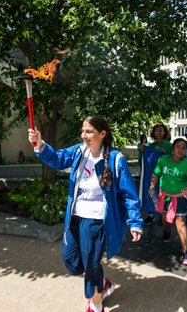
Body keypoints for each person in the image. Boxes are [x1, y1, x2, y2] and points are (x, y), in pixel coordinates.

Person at [28, 116, 143, 312]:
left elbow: (128, 193)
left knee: (90, 263)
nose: (84, 136)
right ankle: (102, 282)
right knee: (71, 260)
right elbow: (57, 159)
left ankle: (96, 303)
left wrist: (135, 221)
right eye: (83, 131)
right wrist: (40, 144)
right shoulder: (79, 151)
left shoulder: (115, 159)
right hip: (74, 215)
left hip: (97, 219)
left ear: (102, 134)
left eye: (89, 132)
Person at [148, 138, 187, 265]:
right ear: (173, 148)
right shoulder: (163, 160)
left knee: (180, 223)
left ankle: (185, 252)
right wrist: (152, 185)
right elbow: (156, 173)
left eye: (183, 148)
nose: (180, 150)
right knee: (165, 219)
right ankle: (167, 230)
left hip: (180, 197)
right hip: (165, 196)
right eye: (178, 147)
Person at [143, 123, 172, 225]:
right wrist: (143, 151)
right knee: (152, 193)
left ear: (164, 132)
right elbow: (146, 159)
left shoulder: (169, 145)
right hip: (153, 174)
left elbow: (173, 159)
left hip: (164, 174)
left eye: (160, 130)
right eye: (156, 130)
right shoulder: (151, 146)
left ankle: (161, 215)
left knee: (162, 194)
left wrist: (164, 153)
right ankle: (151, 214)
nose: (158, 132)